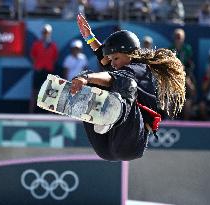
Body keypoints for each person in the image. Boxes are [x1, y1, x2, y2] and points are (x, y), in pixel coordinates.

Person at [71, 14, 186, 161]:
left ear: (130, 54)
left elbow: (112, 77)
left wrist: (86, 79)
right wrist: (89, 37)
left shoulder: (140, 69)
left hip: (131, 142)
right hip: (106, 147)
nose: (113, 63)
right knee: (95, 81)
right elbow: (105, 57)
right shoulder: (120, 65)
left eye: (116, 59)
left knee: (119, 82)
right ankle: (100, 117)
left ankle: (109, 116)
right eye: (112, 60)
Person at [30, 24, 59, 113]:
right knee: (35, 92)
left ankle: (49, 113)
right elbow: (33, 56)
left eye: (47, 32)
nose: (45, 34)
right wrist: (37, 65)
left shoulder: (53, 45)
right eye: (44, 32)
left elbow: (55, 58)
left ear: (50, 33)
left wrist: (48, 66)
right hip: (38, 70)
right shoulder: (36, 44)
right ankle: (31, 112)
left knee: (49, 92)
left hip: (48, 71)